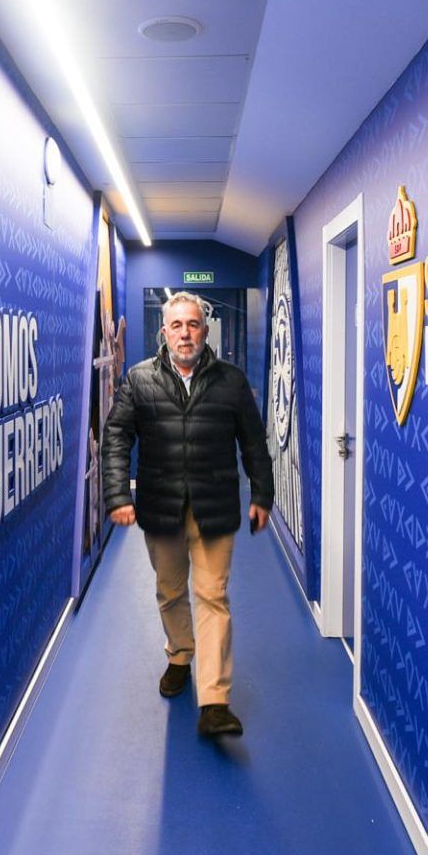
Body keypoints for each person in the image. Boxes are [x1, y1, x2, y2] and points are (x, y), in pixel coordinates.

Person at [101, 292, 274, 736]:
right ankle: (180, 655)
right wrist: (118, 495)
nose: (185, 334)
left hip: (214, 506)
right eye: (176, 326)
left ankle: (214, 700)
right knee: (170, 591)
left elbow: (253, 441)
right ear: (164, 332)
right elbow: (117, 436)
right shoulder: (140, 380)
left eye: (193, 325)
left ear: (205, 330)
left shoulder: (231, 381)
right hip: (161, 506)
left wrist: (263, 494)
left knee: (213, 595)